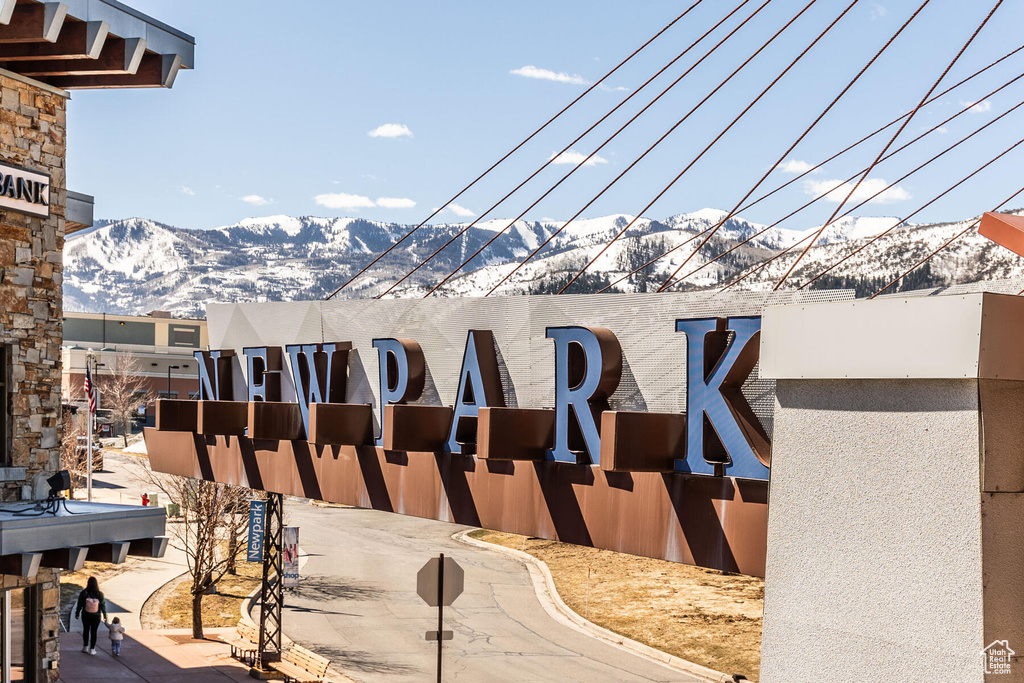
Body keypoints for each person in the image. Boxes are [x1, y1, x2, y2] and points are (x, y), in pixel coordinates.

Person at [74, 576, 107, 655]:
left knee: (86, 630)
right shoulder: (99, 594)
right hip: (96, 616)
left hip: (86, 614)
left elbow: (80, 604)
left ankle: (85, 647)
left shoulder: (84, 593)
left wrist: (77, 613)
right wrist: (105, 615)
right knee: (94, 632)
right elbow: (103, 605)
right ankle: (92, 649)